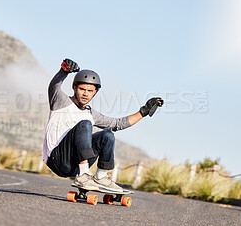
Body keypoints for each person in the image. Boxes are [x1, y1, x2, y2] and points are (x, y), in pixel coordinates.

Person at [43, 58, 164, 192]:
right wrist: (64, 71)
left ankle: (101, 176)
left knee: (108, 135)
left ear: (95, 92)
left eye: (90, 91)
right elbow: (54, 86)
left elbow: (117, 124)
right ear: (74, 88)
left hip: (75, 165)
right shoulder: (60, 101)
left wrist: (143, 112)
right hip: (57, 159)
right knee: (85, 124)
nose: (85, 94)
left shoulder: (90, 113)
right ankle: (84, 175)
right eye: (82, 89)